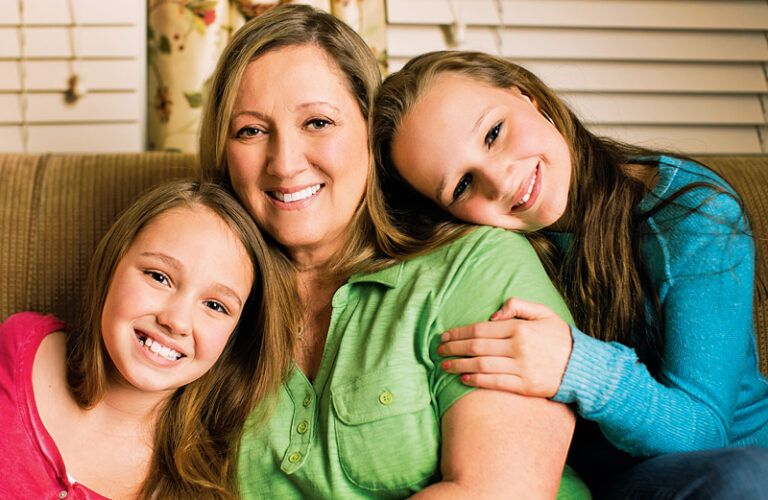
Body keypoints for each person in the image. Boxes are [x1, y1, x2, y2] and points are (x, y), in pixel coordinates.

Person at [200, 4, 590, 498]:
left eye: (318, 122)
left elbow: (499, 490)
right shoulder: (203, 297)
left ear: (370, 133)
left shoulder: (475, 264)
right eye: (251, 131)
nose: (285, 163)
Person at [372, 49, 768, 498]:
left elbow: (702, 433)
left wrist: (575, 366)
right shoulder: (483, 253)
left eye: (494, 133)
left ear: (527, 96)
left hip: (723, 468)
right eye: (462, 185)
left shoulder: (693, 214)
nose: (501, 181)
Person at [0, 180, 299, 499]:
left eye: (215, 306)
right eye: (159, 277)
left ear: (234, 336)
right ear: (113, 263)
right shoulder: (19, 345)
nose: (176, 321)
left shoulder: (199, 488)